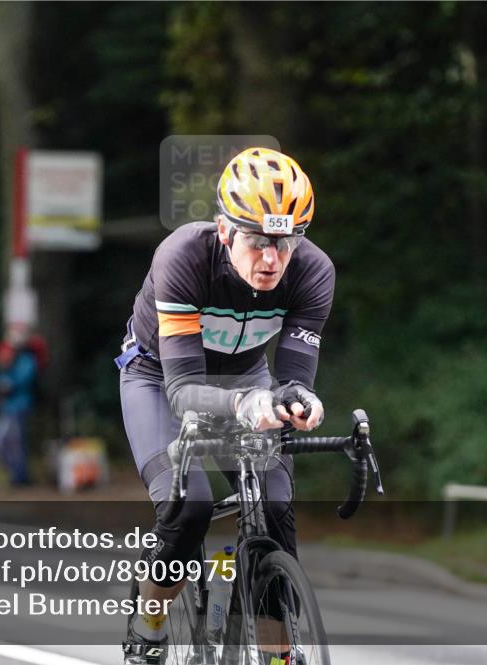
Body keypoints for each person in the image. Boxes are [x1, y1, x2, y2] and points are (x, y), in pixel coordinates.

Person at [116, 147, 334, 664]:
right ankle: (147, 629)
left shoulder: (314, 272)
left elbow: (295, 377)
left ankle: (278, 656)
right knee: (188, 506)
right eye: (257, 241)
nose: (270, 259)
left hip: (245, 377)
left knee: (276, 510)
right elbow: (184, 389)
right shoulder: (183, 257)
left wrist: (300, 401)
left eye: (285, 243)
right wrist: (248, 402)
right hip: (159, 378)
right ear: (224, 230)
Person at [0, 330, 47, 485]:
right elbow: (1, 381)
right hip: (7, 408)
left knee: (15, 443)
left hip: (20, 406)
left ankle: (21, 477)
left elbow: (24, 380)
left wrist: (9, 384)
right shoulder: (9, 359)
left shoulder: (27, 360)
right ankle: (15, 473)